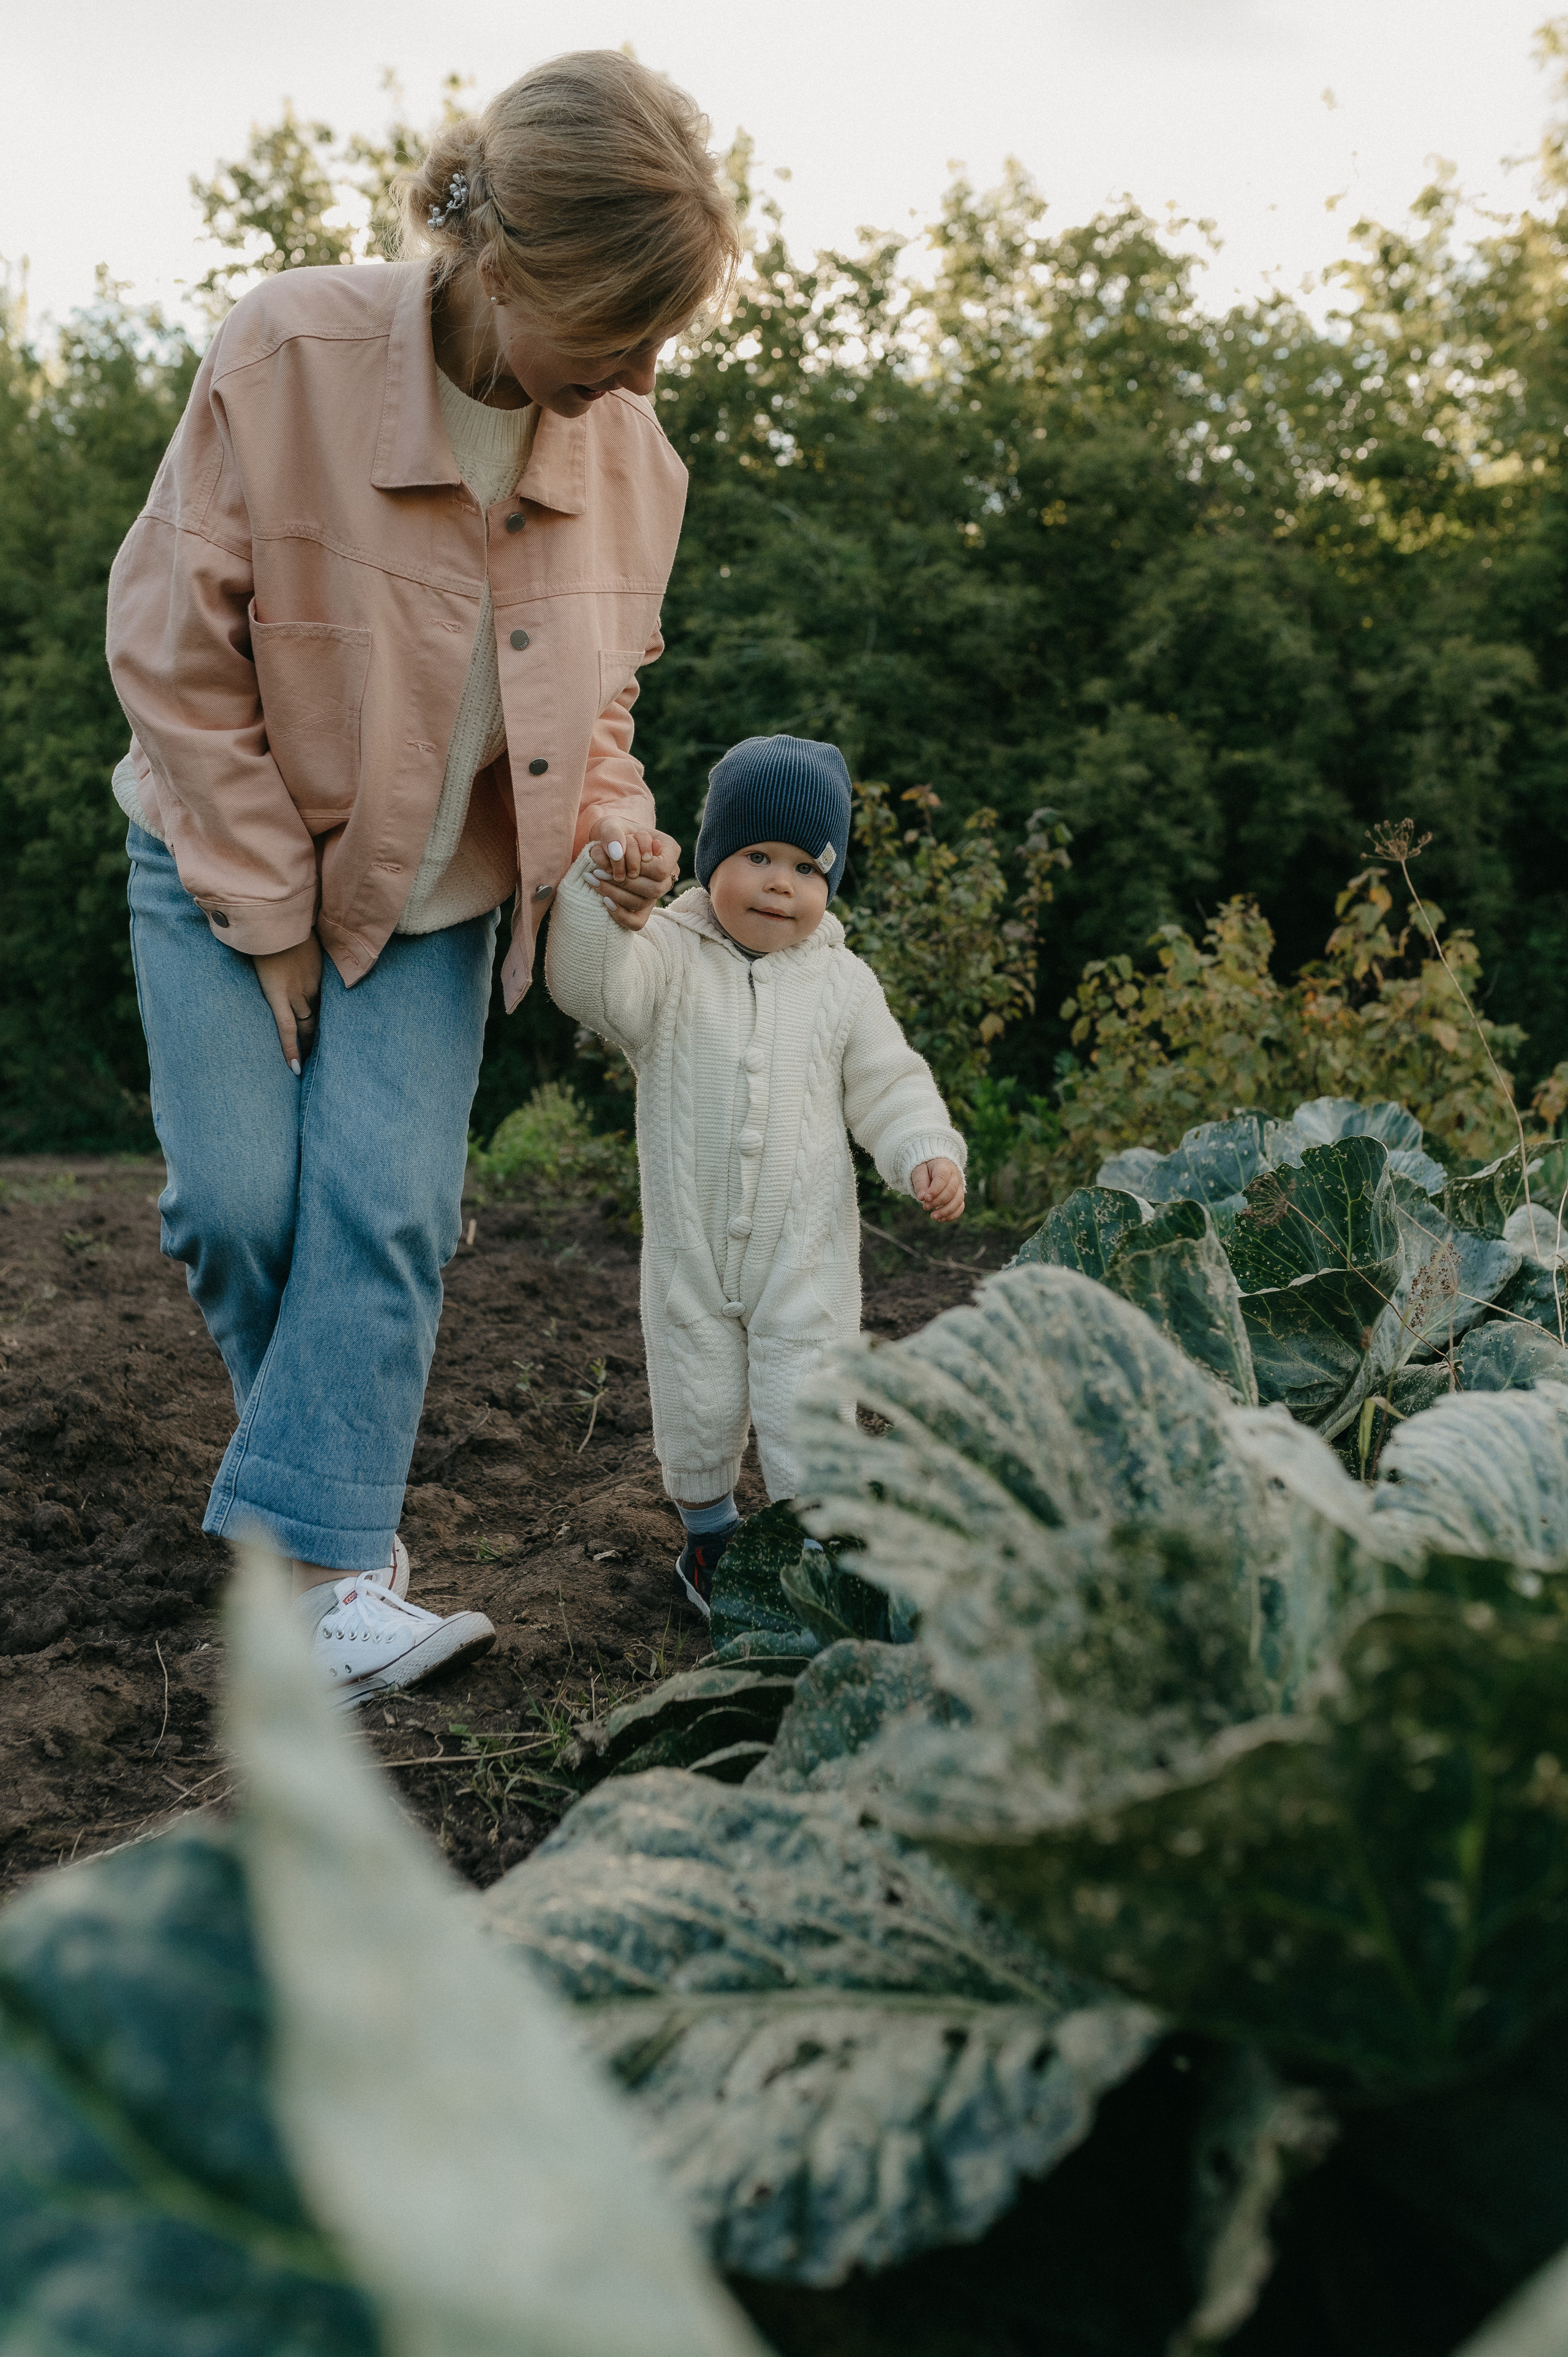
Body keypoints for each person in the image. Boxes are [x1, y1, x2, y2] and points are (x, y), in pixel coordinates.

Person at [104, 53, 738, 1706]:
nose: (643, 369)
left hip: (445, 893)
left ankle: (321, 1579)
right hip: (218, 841)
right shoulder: (287, 352)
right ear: (510, 265)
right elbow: (173, 653)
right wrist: (269, 916)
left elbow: (594, 702)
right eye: (622, 325)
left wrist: (619, 820)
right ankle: (326, 1524)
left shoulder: (635, 462)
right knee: (239, 1209)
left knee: (386, 1214)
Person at [545, 733, 967, 1614]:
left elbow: (889, 1084)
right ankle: (710, 1542)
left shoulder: (844, 985)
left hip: (803, 1253)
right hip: (691, 1253)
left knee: (811, 1400)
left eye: (809, 869)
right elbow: (591, 987)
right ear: (709, 863)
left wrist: (925, 1149)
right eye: (758, 857)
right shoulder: (662, 955)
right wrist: (597, 888)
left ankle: (818, 1546)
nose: (783, 883)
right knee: (696, 1406)